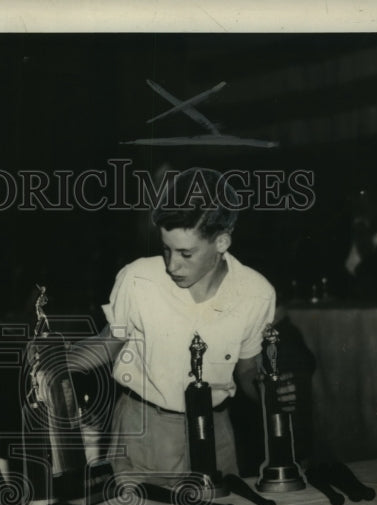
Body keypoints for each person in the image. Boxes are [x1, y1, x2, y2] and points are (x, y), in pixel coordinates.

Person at [68, 167, 294, 483]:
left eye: (186, 253)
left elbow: (246, 370)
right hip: (144, 432)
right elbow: (109, 342)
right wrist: (55, 362)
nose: (172, 265)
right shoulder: (138, 278)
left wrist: (270, 392)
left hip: (217, 434)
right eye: (166, 249)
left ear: (222, 242)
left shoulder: (256, 293)